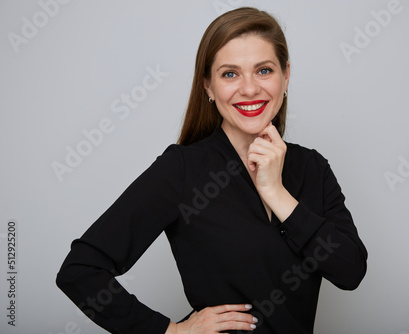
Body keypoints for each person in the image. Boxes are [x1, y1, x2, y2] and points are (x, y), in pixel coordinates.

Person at [56, 6, 367, 334]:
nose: (249, 89)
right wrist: (171, 331)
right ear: (208, 86)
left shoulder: (312, 168)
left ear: (286, 75)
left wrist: (276, 193)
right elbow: (80, 271)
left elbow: (350, 272)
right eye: (230, 74)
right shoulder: (183, 170)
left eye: (263, 70)